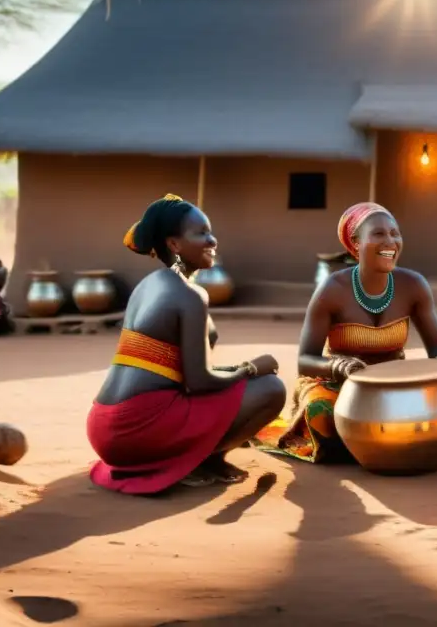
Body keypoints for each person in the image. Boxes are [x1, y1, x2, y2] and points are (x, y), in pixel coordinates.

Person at [255, 201, 437, 463]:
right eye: (379, 234)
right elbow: (305, 360)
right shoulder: (332, 290)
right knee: (322, 416)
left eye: (395, 233)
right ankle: (394, 441)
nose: (390, 242)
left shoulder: (413, 285)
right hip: (338, 385)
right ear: (356, 243)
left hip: (394, 386)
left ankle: (381, 442)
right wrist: (340, 366)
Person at [86, 194, 287, 493]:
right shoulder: (189, 295)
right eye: (201, 233)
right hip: (137, 428)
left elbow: (179, 370)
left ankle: (195, 458)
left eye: (210, 231)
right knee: (271, 389)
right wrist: (250, 368)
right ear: (174, 244)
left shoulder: (148, 285)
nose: (212, 240)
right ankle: (200, 461)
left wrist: (243, 370)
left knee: (251, 382)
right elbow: (200, 381)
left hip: (103, 426)